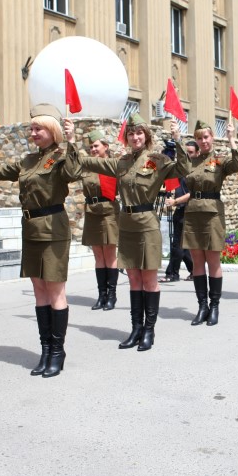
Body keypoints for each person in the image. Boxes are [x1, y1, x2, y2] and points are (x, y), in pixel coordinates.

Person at [0, 104, 81, 378]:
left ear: (52, 130)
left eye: (38, 128)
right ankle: (46, 349)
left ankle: (57, 352)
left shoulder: (61, 156)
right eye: (32, 128)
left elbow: (73, 173)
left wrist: (71, 143)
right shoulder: (27, 161)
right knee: (39, 291)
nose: (33, 132)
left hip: (53, 227)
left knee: (55, 291)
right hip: (31, 228)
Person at [69, 113, 176, 351]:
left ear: (146, 136)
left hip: (147, 223)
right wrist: (69, 141)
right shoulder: (122, 163)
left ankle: (149, 330)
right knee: (134, 280)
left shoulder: (157, 159)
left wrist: (176, 141)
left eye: (139, 133)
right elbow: (87, 162)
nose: (135, 137)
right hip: (126, 224)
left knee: (148, 280)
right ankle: (136, 328)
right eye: (131, 133)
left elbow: (183, 170)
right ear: (126, 137)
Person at [171, 119, 238, 326]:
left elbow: (237, 165)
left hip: (212, 212)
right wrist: (176, 138)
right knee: (197, 261)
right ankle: (202, 306)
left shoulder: (219, 160)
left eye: (206, 137)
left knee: (213, 260)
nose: (203, 141)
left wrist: (231, 139)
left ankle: (215, 306)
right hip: (193, 212)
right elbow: (181, 166)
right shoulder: (191, 161)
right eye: (200, 138)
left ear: (212, 138)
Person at [80, 129, 120, 311]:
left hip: (109, 210)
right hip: (91, 211)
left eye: (96, 146)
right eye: (91, 147)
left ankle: (112, 295)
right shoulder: (87, 166)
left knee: (109, 253)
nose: (93, 149)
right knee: (97, 253)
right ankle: (101, 294)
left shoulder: (112, 165)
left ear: (106, 147)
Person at [160, 140, 197, 283]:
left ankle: (172, 273)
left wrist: (175, 201)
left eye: (191, 152)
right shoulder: (182, 168)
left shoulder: (195, 170)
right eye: (185, 152)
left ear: (197, 153)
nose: (188, 155)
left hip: (189, 210)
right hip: (181, 210)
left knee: (178, 244)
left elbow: (193, 193)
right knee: (183, 244)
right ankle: (194, 271)